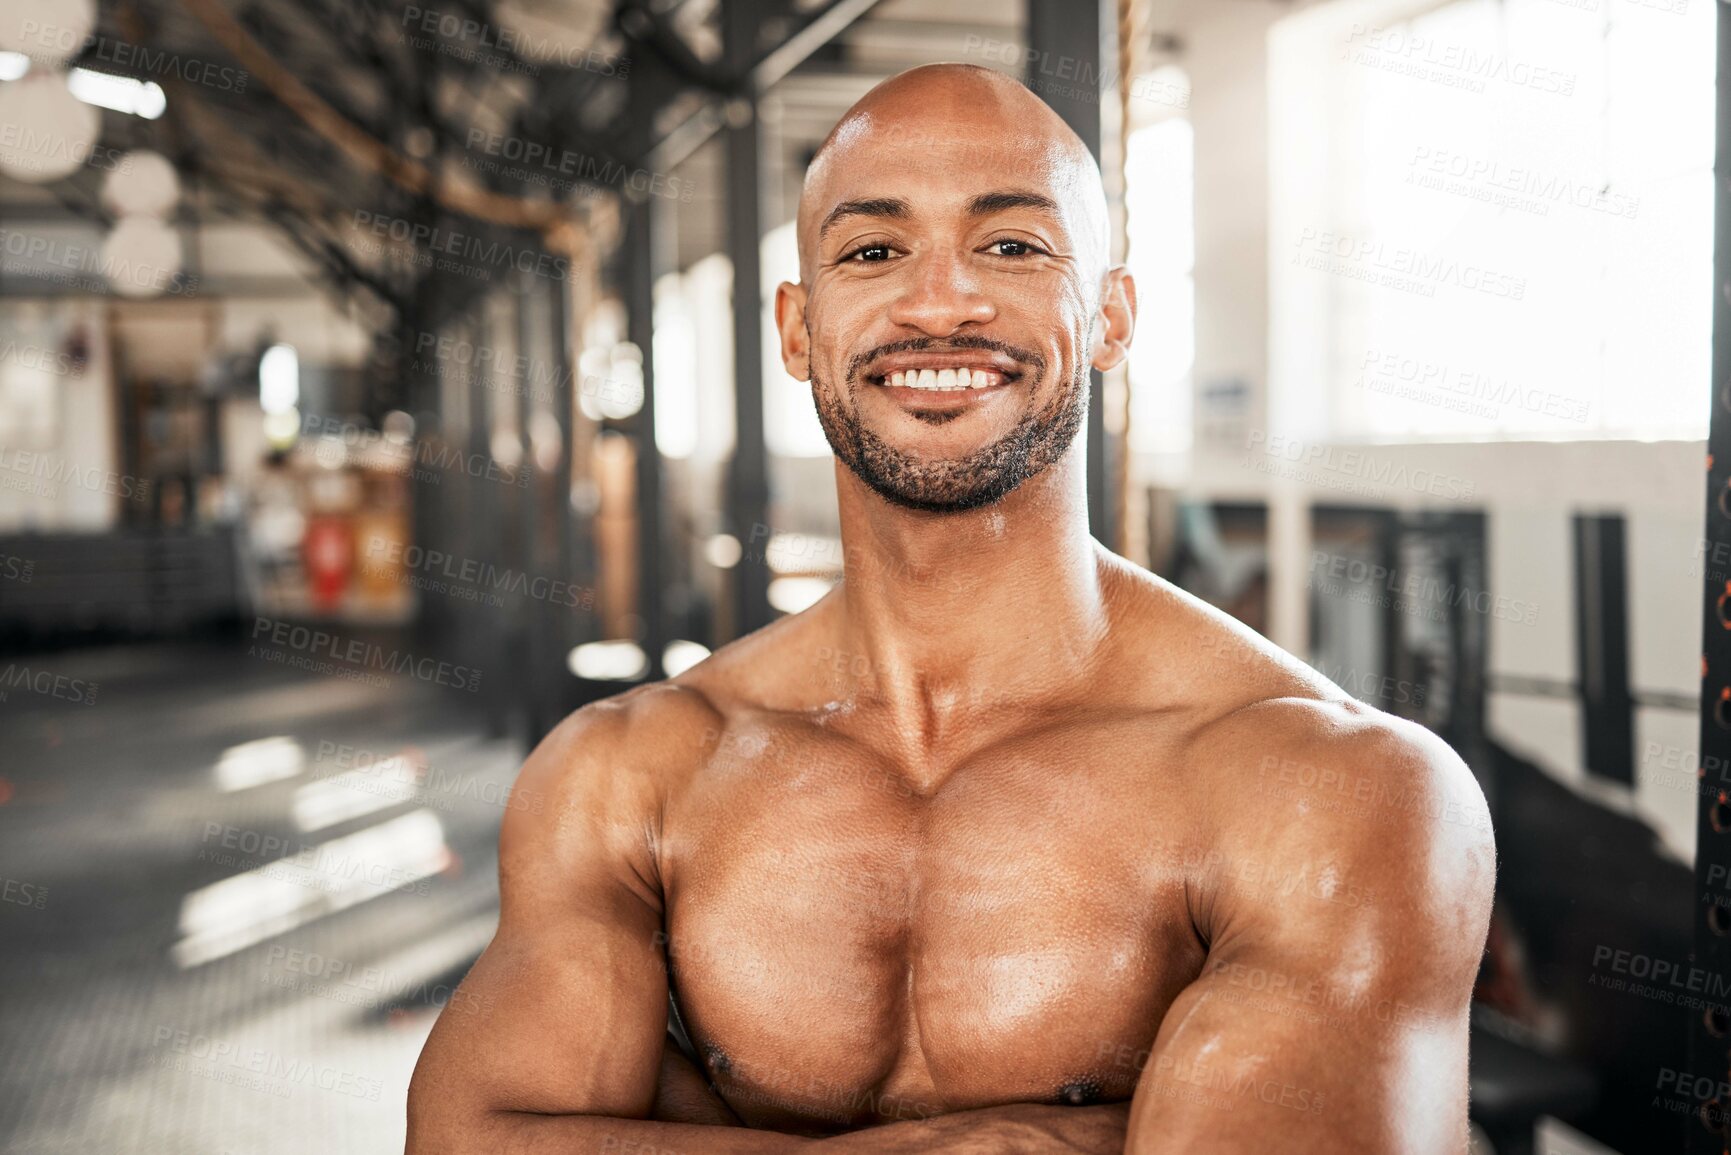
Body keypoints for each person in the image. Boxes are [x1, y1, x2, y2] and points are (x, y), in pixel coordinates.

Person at [406, 62, 1495, 1154]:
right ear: (797, 329)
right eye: (874, 251)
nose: (939, 303)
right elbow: (465, 1143)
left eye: (1011, 246)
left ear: (1111, 314)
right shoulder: (630, 774)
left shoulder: (1335, 792)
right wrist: (1009, 1144)